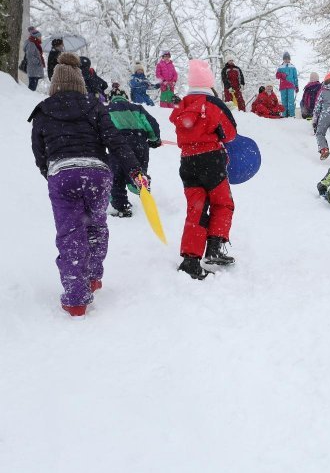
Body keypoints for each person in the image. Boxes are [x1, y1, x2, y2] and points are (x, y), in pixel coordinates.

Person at [28, 52, 145, 316]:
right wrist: (136, 171)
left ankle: (76, 299)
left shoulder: (44, 111)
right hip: (97, 173)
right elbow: (116, 141)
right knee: (96, 225)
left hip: (63, 174)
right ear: (80, 83)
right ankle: (93, 276)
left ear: (54, 84)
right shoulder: (94, 106)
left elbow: (39, 152)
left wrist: (51, 173)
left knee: (70, 234)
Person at [169, 59, 238, 280]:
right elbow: (230, 133)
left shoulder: (183, 106)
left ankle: (190, 260)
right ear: (209, 84)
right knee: (222, 203)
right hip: (211, 160)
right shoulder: (213, 104)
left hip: (187, 162)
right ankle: (215, 247)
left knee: (196, 209)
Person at [106, 91, 161, 217]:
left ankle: (121, 207)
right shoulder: (137, 108)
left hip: (117, 144)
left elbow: (101, 128)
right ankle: (139, 182)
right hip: (139, 142)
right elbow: (152, 123)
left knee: (116, 177)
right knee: (137, 170)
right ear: (126, 99)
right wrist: (155, 139)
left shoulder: (106, 110)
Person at [276, 51, 299, 117]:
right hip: (283, 86)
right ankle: (284, 115)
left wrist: (296, 86)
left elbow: (295, 77)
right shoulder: (280, 67)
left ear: (289, 59)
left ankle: (292, 115)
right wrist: (282, 75)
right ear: (283, 59)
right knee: (284, 101)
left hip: (291, 86)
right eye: (285, 58)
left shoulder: (293, 67)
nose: (286, 60)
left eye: (288, 58)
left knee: (291, 101)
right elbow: (277, 75)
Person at [23, 27, 46, 91]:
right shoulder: (31, 44)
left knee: (32, 87)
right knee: (32, 88)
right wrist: (38, 62)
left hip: (34, 69)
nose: (40, 38)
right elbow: (30, 56)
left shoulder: (35, 44)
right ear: (36, 37)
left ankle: (29, 99)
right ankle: (28, 99)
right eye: (39, 36)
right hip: (33, 69)